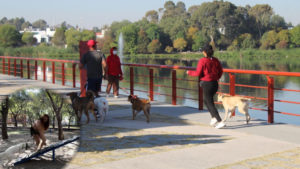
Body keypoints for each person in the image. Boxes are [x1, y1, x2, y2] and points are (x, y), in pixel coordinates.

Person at [186, 44, 225, 129]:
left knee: (210, 102)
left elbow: (198, 73)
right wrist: (217, 77)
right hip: (215, 83)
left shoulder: (202, 61)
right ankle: (213, 117)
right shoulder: (216, 60)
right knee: (206, 101)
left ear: (204, 52)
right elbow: (221, 71)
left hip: (207, 84)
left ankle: (220, 121)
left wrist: (189, 72)